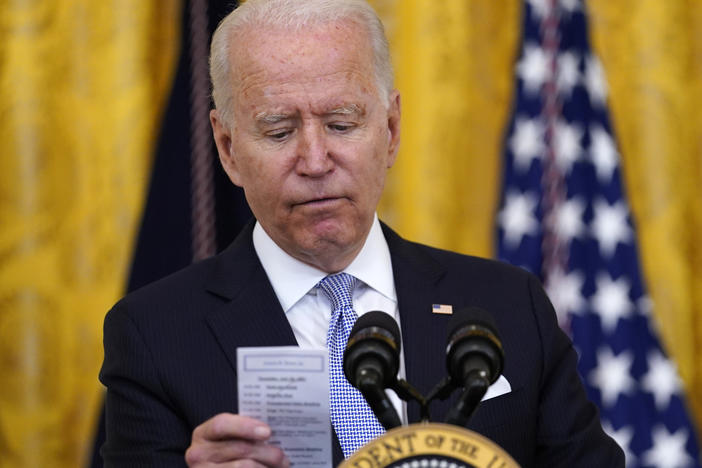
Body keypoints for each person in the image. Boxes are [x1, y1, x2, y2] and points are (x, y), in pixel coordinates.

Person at [99, 0, 624, 466]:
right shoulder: (154, 335)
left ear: (390, 130)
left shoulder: (511, 304)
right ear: (228, 148)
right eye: (279, 131)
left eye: (342, 123)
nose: (315, 160)